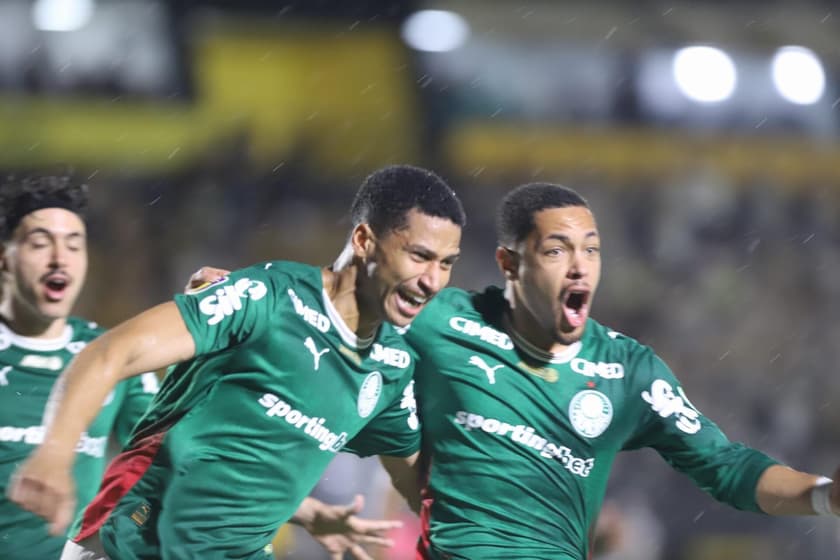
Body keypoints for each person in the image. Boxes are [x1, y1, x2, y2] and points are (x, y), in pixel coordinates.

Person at [8, 164, 465, 559]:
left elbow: (422, 487)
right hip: (132, 541)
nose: (433, 280)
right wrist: (52, 454)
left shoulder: (390, 366)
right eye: (420, 256)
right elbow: (110, 353)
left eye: (447, 263)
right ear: (365, 239)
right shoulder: (264, 298)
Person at [398, 182, 840, 559]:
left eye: (591, 250)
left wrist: (824, 495)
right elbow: (344, 344)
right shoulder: (439, 321)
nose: (580, 266)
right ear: (509, 263)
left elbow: (725, 466)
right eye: (557, 250)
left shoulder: (628, 371)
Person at [0, 174, 160, 560]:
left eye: (75, 245)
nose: (60, 258)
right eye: (40, 243)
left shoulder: (115, 355)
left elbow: (171, 455)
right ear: (5, 258)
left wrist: (302, 510)